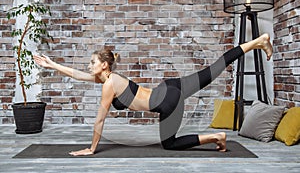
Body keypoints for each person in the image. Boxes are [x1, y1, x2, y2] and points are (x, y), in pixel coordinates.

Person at [33, 33, 273, 156]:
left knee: (169, 145)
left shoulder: (109, 85)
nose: (88, 66)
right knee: (216, 68)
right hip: (170, 87)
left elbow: (99, 119)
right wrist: (52, 64)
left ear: (104, 65)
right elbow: (76, 74)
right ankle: (258, 41)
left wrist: (91, 148)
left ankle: (216, 137)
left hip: (168, 102)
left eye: (92, 62)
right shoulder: (109, 78)